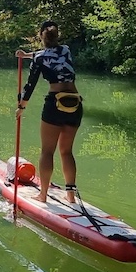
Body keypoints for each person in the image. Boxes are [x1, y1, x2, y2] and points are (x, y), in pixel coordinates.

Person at [16, 20, 83, 206]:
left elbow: (30, 85)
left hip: (55, 104)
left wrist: (21, 107)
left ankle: (43, 195)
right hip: (75, 104)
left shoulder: (39, 58)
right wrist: (26, 55)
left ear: (40, 36)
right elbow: (51, 56)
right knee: (66, 151)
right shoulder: (66, 50)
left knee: (47, 151)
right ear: (57, 36)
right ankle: (70, 196)